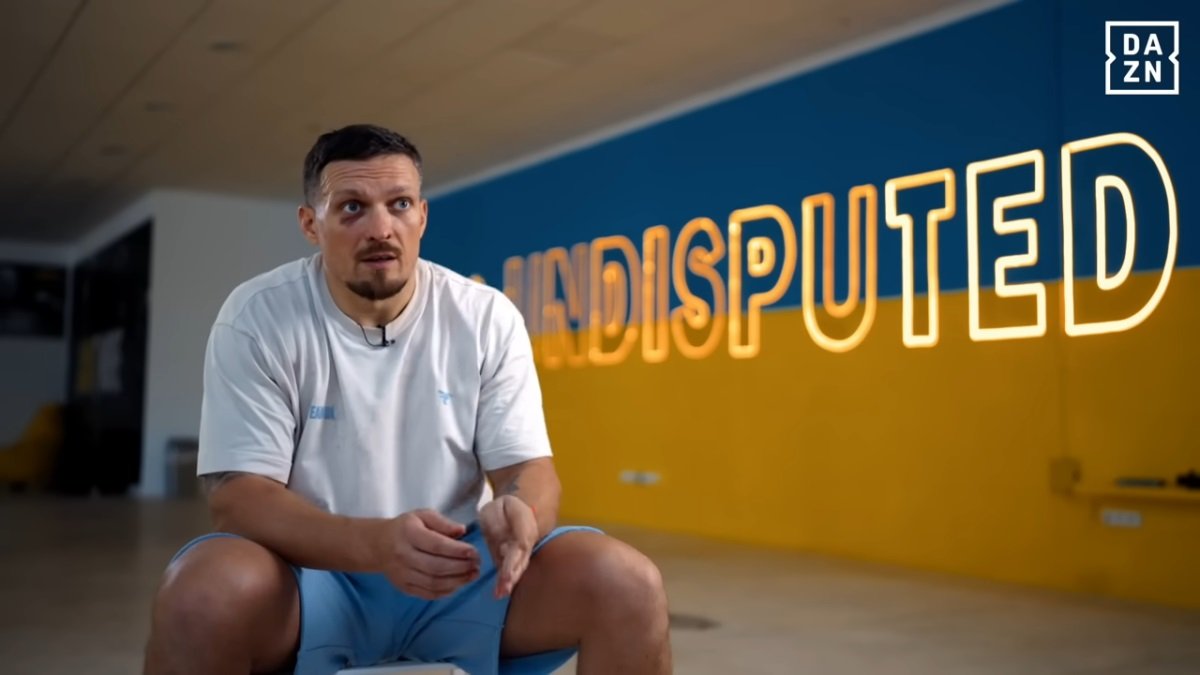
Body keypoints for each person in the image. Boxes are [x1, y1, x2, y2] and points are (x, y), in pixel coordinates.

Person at [143, 124, 672, 675]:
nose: (381, 229)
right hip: (307, 577)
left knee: (627, 584)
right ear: (310, 224)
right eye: (352, 208)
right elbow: (238, 497)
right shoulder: (259, 316)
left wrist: (523, 512)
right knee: (201, 594)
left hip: (461, 572)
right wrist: (376, 545)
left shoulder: (485, 317)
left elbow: (527, 469)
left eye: (398, 204)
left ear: (421, 215)